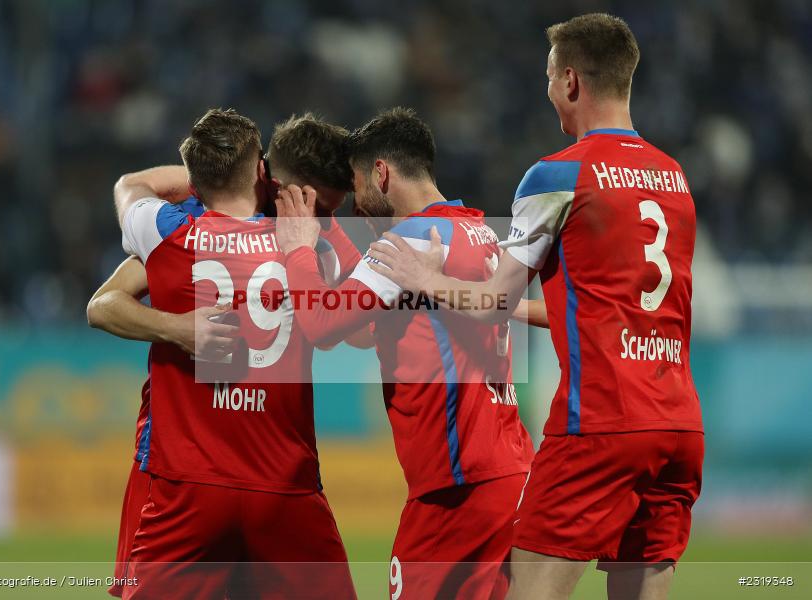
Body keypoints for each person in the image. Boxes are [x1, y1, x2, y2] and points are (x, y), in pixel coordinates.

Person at [366, 14, 703, 600]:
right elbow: (614, 307)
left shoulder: (556, 174)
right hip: (679, 426)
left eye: (549, 77)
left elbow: (488, 302)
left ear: (570, 81)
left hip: (601, 425)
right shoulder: (674, 177)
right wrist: (520, 311)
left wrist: (426, 277)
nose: (547, 91)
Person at [276, 107, 542, 599]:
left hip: (456, 485)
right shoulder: (478, 231)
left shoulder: (412, 241)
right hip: (505, 471)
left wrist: (298, 247)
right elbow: (368, 319)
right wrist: (327, 226)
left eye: (358, 185)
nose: (357, 204)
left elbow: (322, 325)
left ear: (382, 173)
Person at [106, 109, 359, 599]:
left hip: (190, 484)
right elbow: (357, 330)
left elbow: (129, 185)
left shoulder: (166, 233)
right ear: (262, 170)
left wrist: (176, 328)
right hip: (284, 482)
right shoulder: (306, 241)